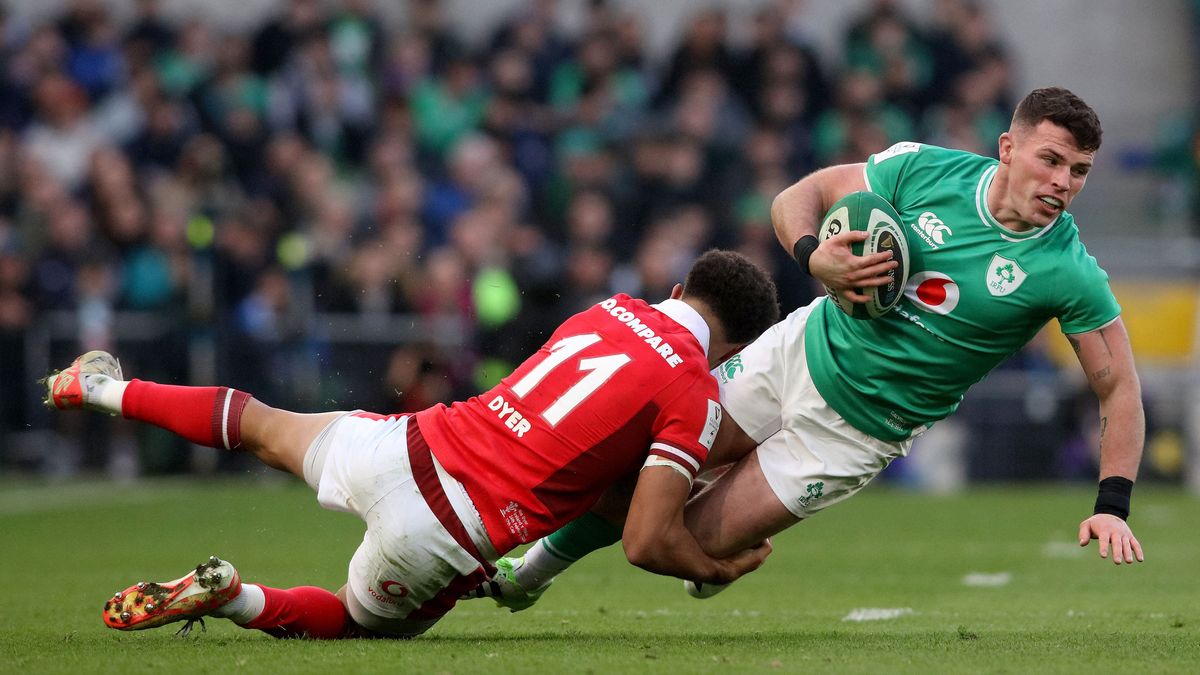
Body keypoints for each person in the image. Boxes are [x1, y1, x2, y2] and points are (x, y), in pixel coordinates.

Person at [469, 86, 1146, 611]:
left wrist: (1111, 506)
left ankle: (720, 545)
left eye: (1079, 171)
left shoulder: (1069, 272)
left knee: (685, 540)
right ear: (1007, 148)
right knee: (635, 472)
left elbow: (1117, 387)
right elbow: (806, 193)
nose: (1062, 183)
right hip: (793, 354)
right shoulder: (924, 170)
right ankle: (527, 574)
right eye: (1050, 160)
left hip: (854, 432)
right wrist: (812, 255)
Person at [43, 248, 780, 639]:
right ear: (736, 348)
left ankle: (101, 388)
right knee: (353, 622)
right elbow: (646, 538)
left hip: (408, 440)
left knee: (260, 423)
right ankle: (234, 596)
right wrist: (716, 564)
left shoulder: (609, 310)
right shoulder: (694, 393)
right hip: (446, 529)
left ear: (679, 290)